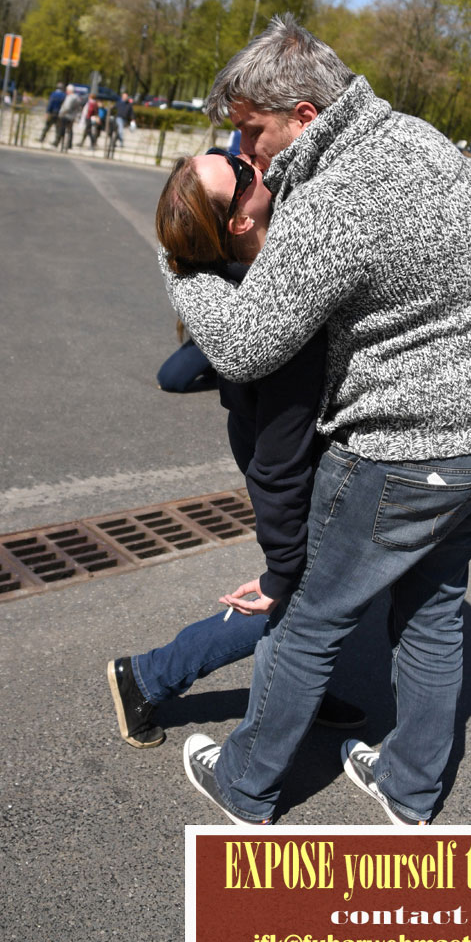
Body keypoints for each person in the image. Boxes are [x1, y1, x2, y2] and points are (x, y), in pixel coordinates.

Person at [163, 14, 471, 827]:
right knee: (432, 612)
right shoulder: (417, 140)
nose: (248, 154)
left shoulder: (340, 200)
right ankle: (409, 788)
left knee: (305, 623)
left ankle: (245, 784)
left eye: (251, 133)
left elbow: (248, 341)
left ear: (302, 115)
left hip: (407, 456)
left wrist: (179, 265)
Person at [108, 148, 365, 748]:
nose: (246, 158)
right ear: (241, 222)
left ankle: (301, 684)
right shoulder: (272, 315)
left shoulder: (252, 262)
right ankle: (147, 677)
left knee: (320, 595)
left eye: (232, 152)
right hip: (286, 463)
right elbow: (277, 464)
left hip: (279, 448)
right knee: (296, 597)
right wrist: (280, 567)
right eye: (240, 169)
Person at [56, 86, 84, 151]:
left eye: (67, 90)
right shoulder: (77, 97)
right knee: (70, 130)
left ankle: (59, 143)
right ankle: (69, 144)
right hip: (72, 116)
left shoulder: (70, 97)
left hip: (66, 115)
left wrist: (61, 113)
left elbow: (67, 107)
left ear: (69, 90)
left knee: (62, 129)